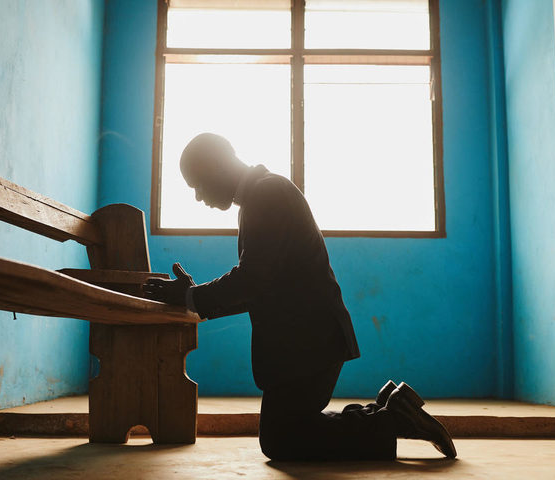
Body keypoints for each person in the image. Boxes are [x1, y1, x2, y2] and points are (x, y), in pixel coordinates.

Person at [144, 133, 456, 461]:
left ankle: (392, 419)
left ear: (219, 166)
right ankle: (388, 412)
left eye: (197, 183)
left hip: (311, 345)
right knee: (288, 433)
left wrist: (193, 296)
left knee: (282, 440)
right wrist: (194, 297)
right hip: (308, 343)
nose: (197, 196)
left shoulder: (267, 194)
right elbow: (259, 286)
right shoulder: (261, 194)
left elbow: (252, 280)